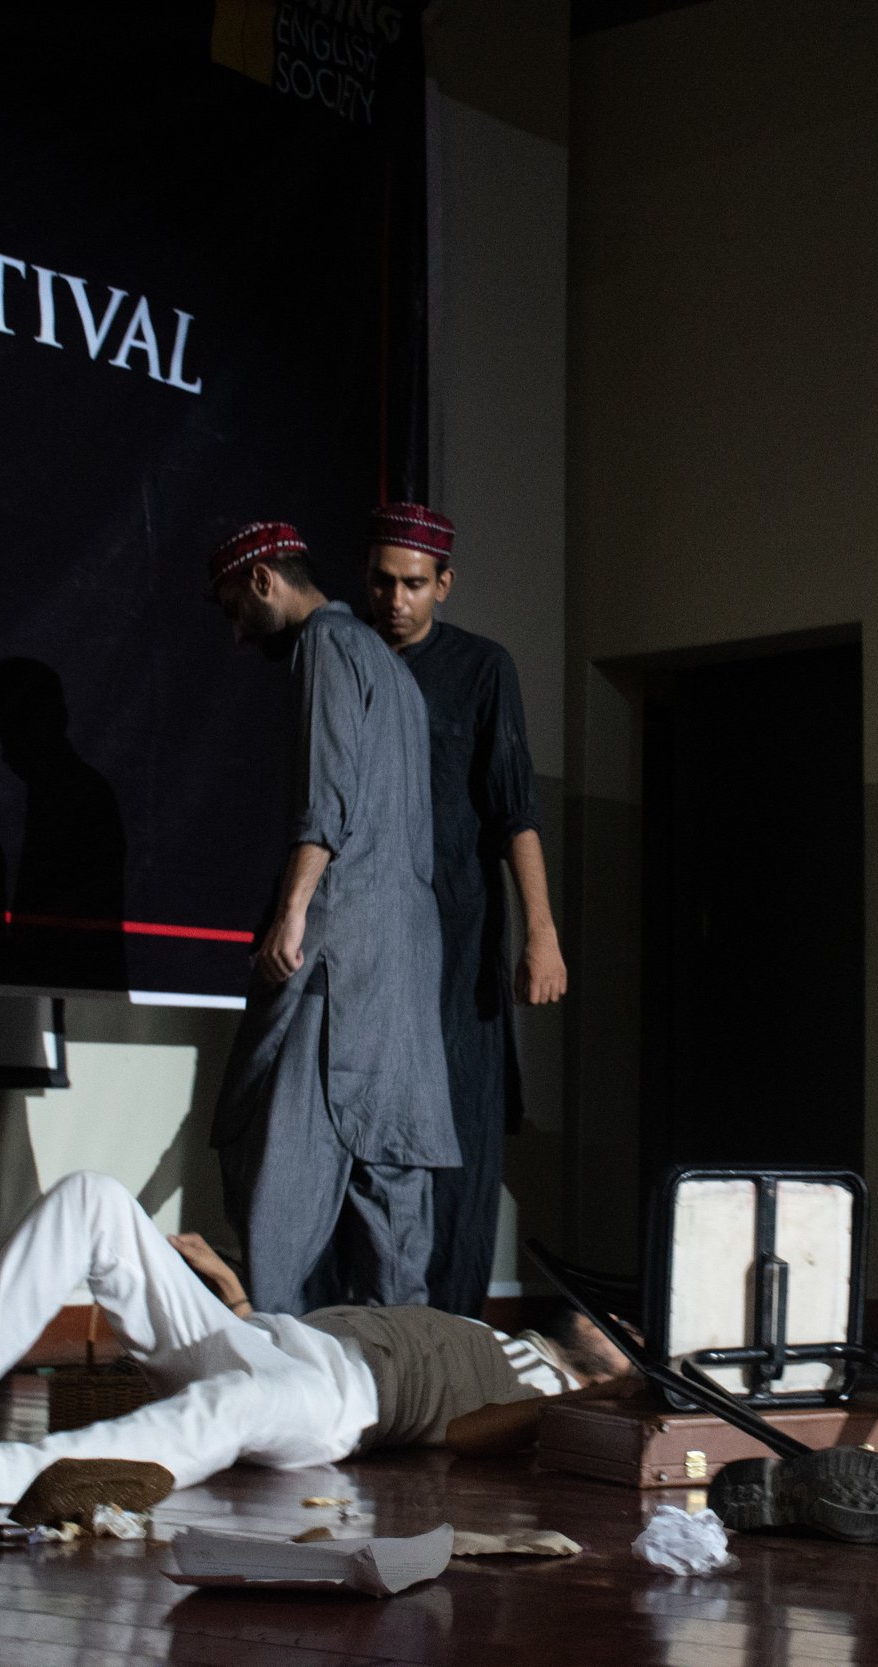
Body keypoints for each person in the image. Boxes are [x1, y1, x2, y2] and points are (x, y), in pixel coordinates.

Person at [0, 1171, 639, 1506]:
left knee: (232, 1406)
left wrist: (618, 1390)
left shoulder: (557, 1402)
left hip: (333, 1403)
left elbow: (465, 1434)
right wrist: (234, 1298)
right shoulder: (495, 1328)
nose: (622, 1328)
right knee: (92, 1198)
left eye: (634, 1336)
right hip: (271, 1336)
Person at [203, 520, 459, 1312]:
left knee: (280, 1171)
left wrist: (291, 912)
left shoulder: (325, 644)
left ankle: (273, 1357)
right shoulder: (391, 667)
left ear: (263, 580)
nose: (238, 632)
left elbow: (328, 795)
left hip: (337, 961)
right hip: (401, 971)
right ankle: (403, 1374)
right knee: (391, 1195)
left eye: (234, 608)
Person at [363, 503, 568, 1318]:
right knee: (366, 1124)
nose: (396, 599)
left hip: (459, 934)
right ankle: (365, 1326)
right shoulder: (347, 659)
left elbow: (516, 809)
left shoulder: (482, 667)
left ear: (443, 584)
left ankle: (451, 1328)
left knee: (460, 1124)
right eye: (383, 581)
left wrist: (542, 932)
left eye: (413, 583)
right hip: (369, 934)